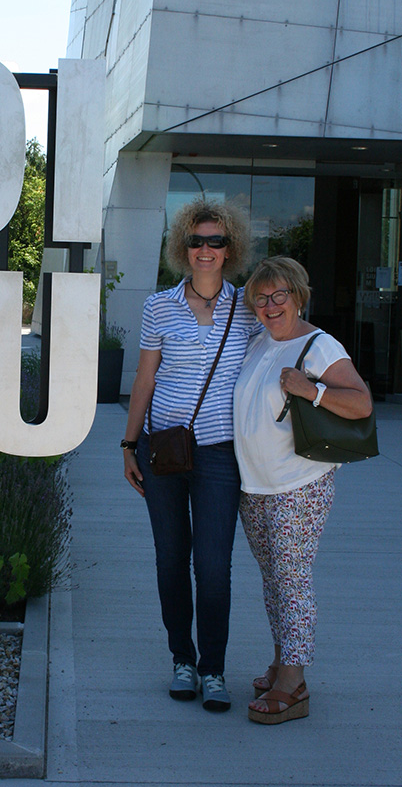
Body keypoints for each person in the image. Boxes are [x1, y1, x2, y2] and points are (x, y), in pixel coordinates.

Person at [122, 198, 259, 712]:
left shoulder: (248, 306)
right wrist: (129, 444)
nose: (205, 250)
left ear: (230, 249)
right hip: (163, 450)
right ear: (184, 247)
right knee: (171, 559)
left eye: (215, 241)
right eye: (196, 241)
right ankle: (183, 659)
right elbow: (144, 378)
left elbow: (284, 345)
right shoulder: (159, 306)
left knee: (214, 565)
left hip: (221, 455)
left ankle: (214, 669)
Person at [233, 256, 372, 724]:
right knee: (274, 580)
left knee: (293, 581)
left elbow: (361, 403)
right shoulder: (259, 341)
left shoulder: (318, 346)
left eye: (280, 296)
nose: (270, 306)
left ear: (298, 296)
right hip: (255, 486)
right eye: (261, 298)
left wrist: (311, 390)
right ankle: (280, 661)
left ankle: (294, 683)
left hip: (298, 484)